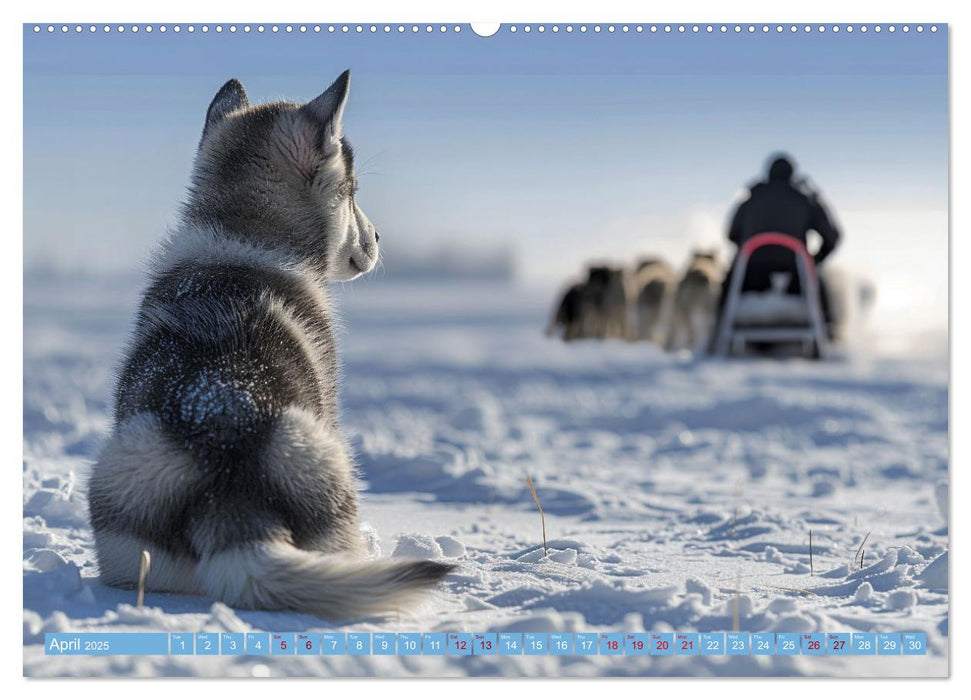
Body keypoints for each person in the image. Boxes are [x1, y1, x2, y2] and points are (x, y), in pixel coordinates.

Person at [718, 154, 841, 334]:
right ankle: (828, 331)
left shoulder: (750, 198)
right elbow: (832, 237)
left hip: (750, 274)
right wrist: (814, 260)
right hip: (796, 275)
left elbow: (731, 234)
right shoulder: (805, 199)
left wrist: (751, 251)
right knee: (815, 278)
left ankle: (717, 327)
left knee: (730, 277)